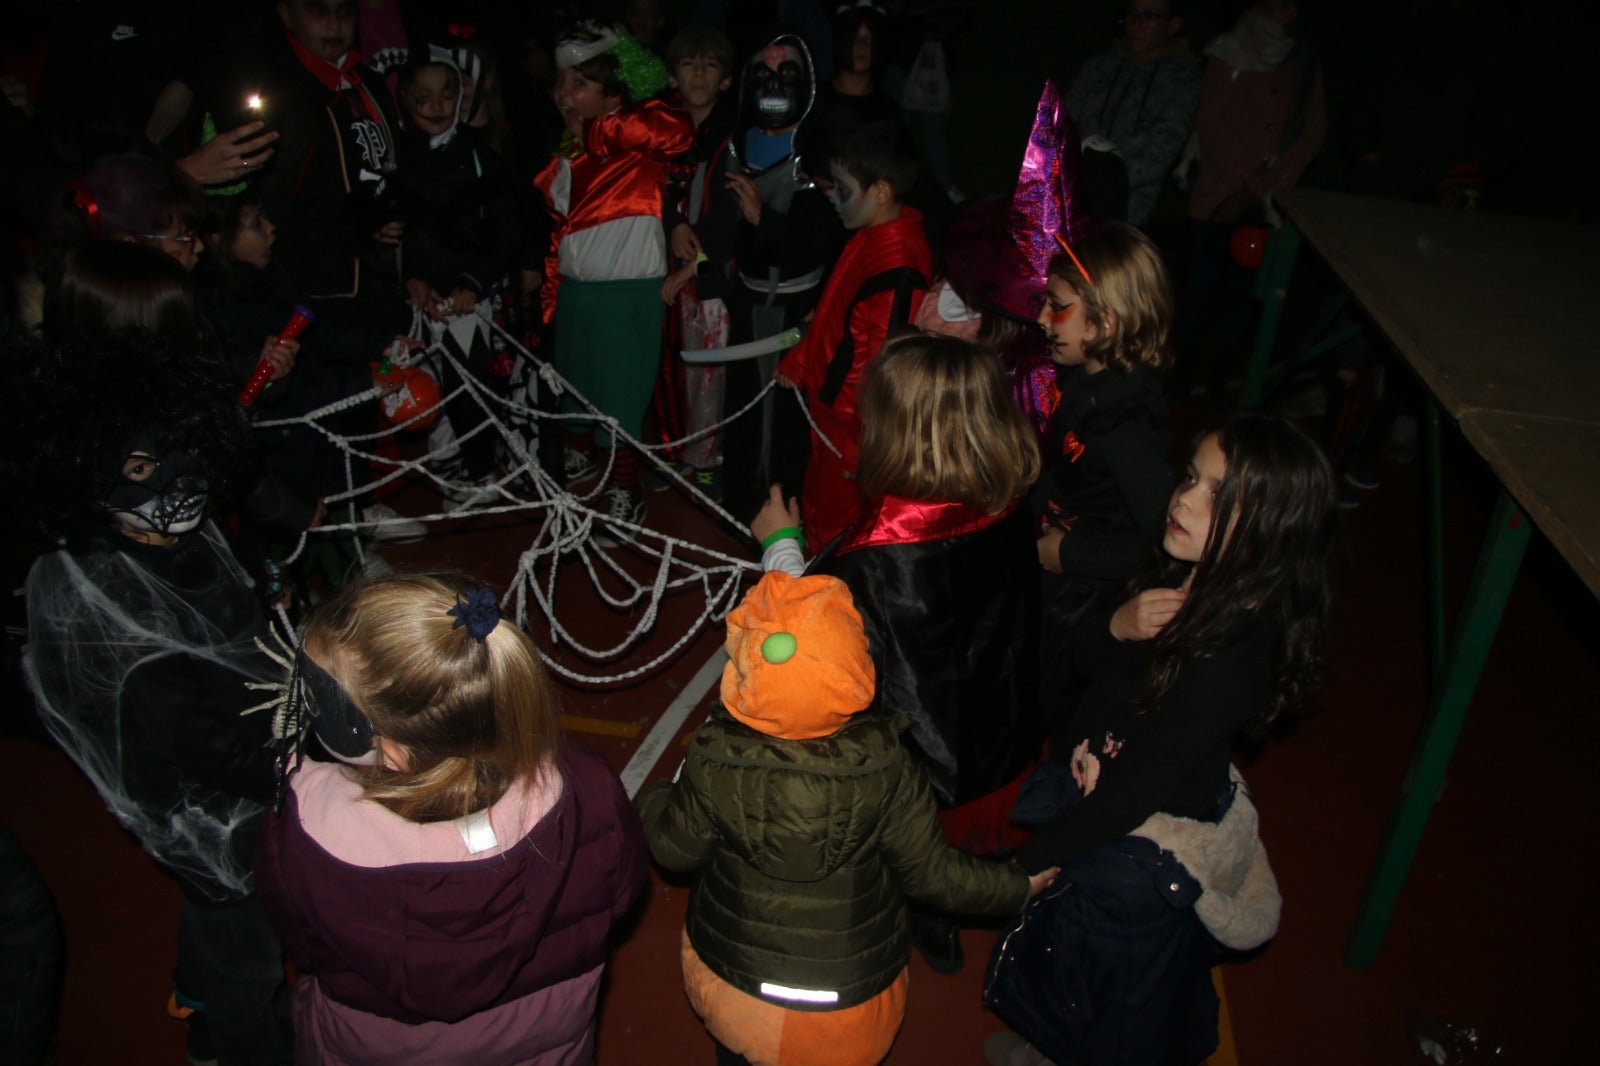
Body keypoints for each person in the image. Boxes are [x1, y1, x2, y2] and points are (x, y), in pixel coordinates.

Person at [991, 412, 1336, 1065]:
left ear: (1269, 532)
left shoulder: (1230, 659)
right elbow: (1091, 665)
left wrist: (1029, 865)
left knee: (1107, 983)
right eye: (1190, 477)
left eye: (1215, 495)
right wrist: (1117, 626)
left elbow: (1134, 795)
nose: (1182, 498)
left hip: (1139, 843)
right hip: (1102, 790)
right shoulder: (1185, 578)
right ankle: (1052, 1040)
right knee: (1066, 949)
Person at [637, 570, 1055, 1066]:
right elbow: (935, 876)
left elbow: (671, 849)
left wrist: (654, 797)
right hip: (852, 1009)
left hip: (736, 987)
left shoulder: (716, 761)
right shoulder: (888, 768)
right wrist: (1015, 887)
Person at [11, 330, 290, 1066]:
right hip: (209, 811)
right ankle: (234, 1041)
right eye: (140, 466)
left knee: (218, 929)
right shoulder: (105, 604)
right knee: (248, 958)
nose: (172, 478)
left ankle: (200, 992)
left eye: (179, 451)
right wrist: (321, 754)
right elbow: (211, 749)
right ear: (89, 473)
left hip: (244, 745)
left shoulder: (174, 535)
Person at [254, 573, 649, 1063]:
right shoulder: (586, 785)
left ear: (393, 754)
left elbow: (302, 943)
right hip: (546, 1039)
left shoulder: (305, 826)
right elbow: (623, 892)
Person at [756, 332, 1043, 972]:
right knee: (974, 857)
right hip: (1004, 738)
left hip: (917, 779)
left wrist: (780, 544)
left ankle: (925, 920)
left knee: (912, 865)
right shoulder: (1010, 504)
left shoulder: (875, 553)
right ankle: (961, 918)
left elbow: (803, 633)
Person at [533, 20, 692, 527]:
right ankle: (584, 457)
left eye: (580, 83)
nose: (565, 94)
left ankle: (627, 489)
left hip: (628, 292)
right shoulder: (568, 151)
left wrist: (600, 127)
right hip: (581, 292)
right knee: (578, 383)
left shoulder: (639, 130)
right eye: (561, 83)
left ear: (612, 92)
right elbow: (560, 231)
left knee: (621, 395)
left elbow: (679, 130)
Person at [1029, 224, 1176, 750]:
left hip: (1088, 598)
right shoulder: (1086, 381)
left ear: (1105, 323)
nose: (1043, 318)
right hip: (1062, 565)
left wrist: (1067, 554)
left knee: (1061, 711)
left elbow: (1158, 545)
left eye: (1058, 307)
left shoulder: (1127, 425)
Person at [773, 119, 931, 549]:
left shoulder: (896, 267)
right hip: (831, 416)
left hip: (849, 430)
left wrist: (859, 446)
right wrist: (804, 360)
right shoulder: (868, 237)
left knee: (838, 532)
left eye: (842, 189)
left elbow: (882, 368)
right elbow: (835, 317)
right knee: (817, 513)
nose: (833, 200)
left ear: (880, 192)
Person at [1171, 0, 1326, 404]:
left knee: (1244, 295)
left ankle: (1223, 380)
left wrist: (1265, 181)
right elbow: (1208, 119)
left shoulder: (1303, 62)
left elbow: (1313, 129)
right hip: (1217, 193)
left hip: (1265, 202)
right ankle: (1181, 373)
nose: (1283, 11)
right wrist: (1241, 179)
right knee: (1198, 289)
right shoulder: (1228, 50)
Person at [656, 24, 737, 501]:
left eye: (710, 64)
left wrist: (694, 265)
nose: (700, 72)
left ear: (725, 78)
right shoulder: (668, 136)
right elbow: (663, 200)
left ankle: (708, 463)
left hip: (710, 278)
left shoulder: (729, 140)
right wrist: (672, 225)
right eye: (690, 63)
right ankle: (683, 454)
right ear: (673, 76)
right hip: (678, 274)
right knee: (678, 371)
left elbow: (730, 229)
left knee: (711, 373)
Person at [1064, 0, 1201, 228]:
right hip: (1070, 199)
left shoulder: (1182, 80)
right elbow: (1061, 123)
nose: (1137, 23)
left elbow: (1162, 150)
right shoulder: (1098, 67)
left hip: (1128, 210)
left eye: (1151, 16)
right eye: (1132, 14)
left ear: (1173, 24)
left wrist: (1104, 180)